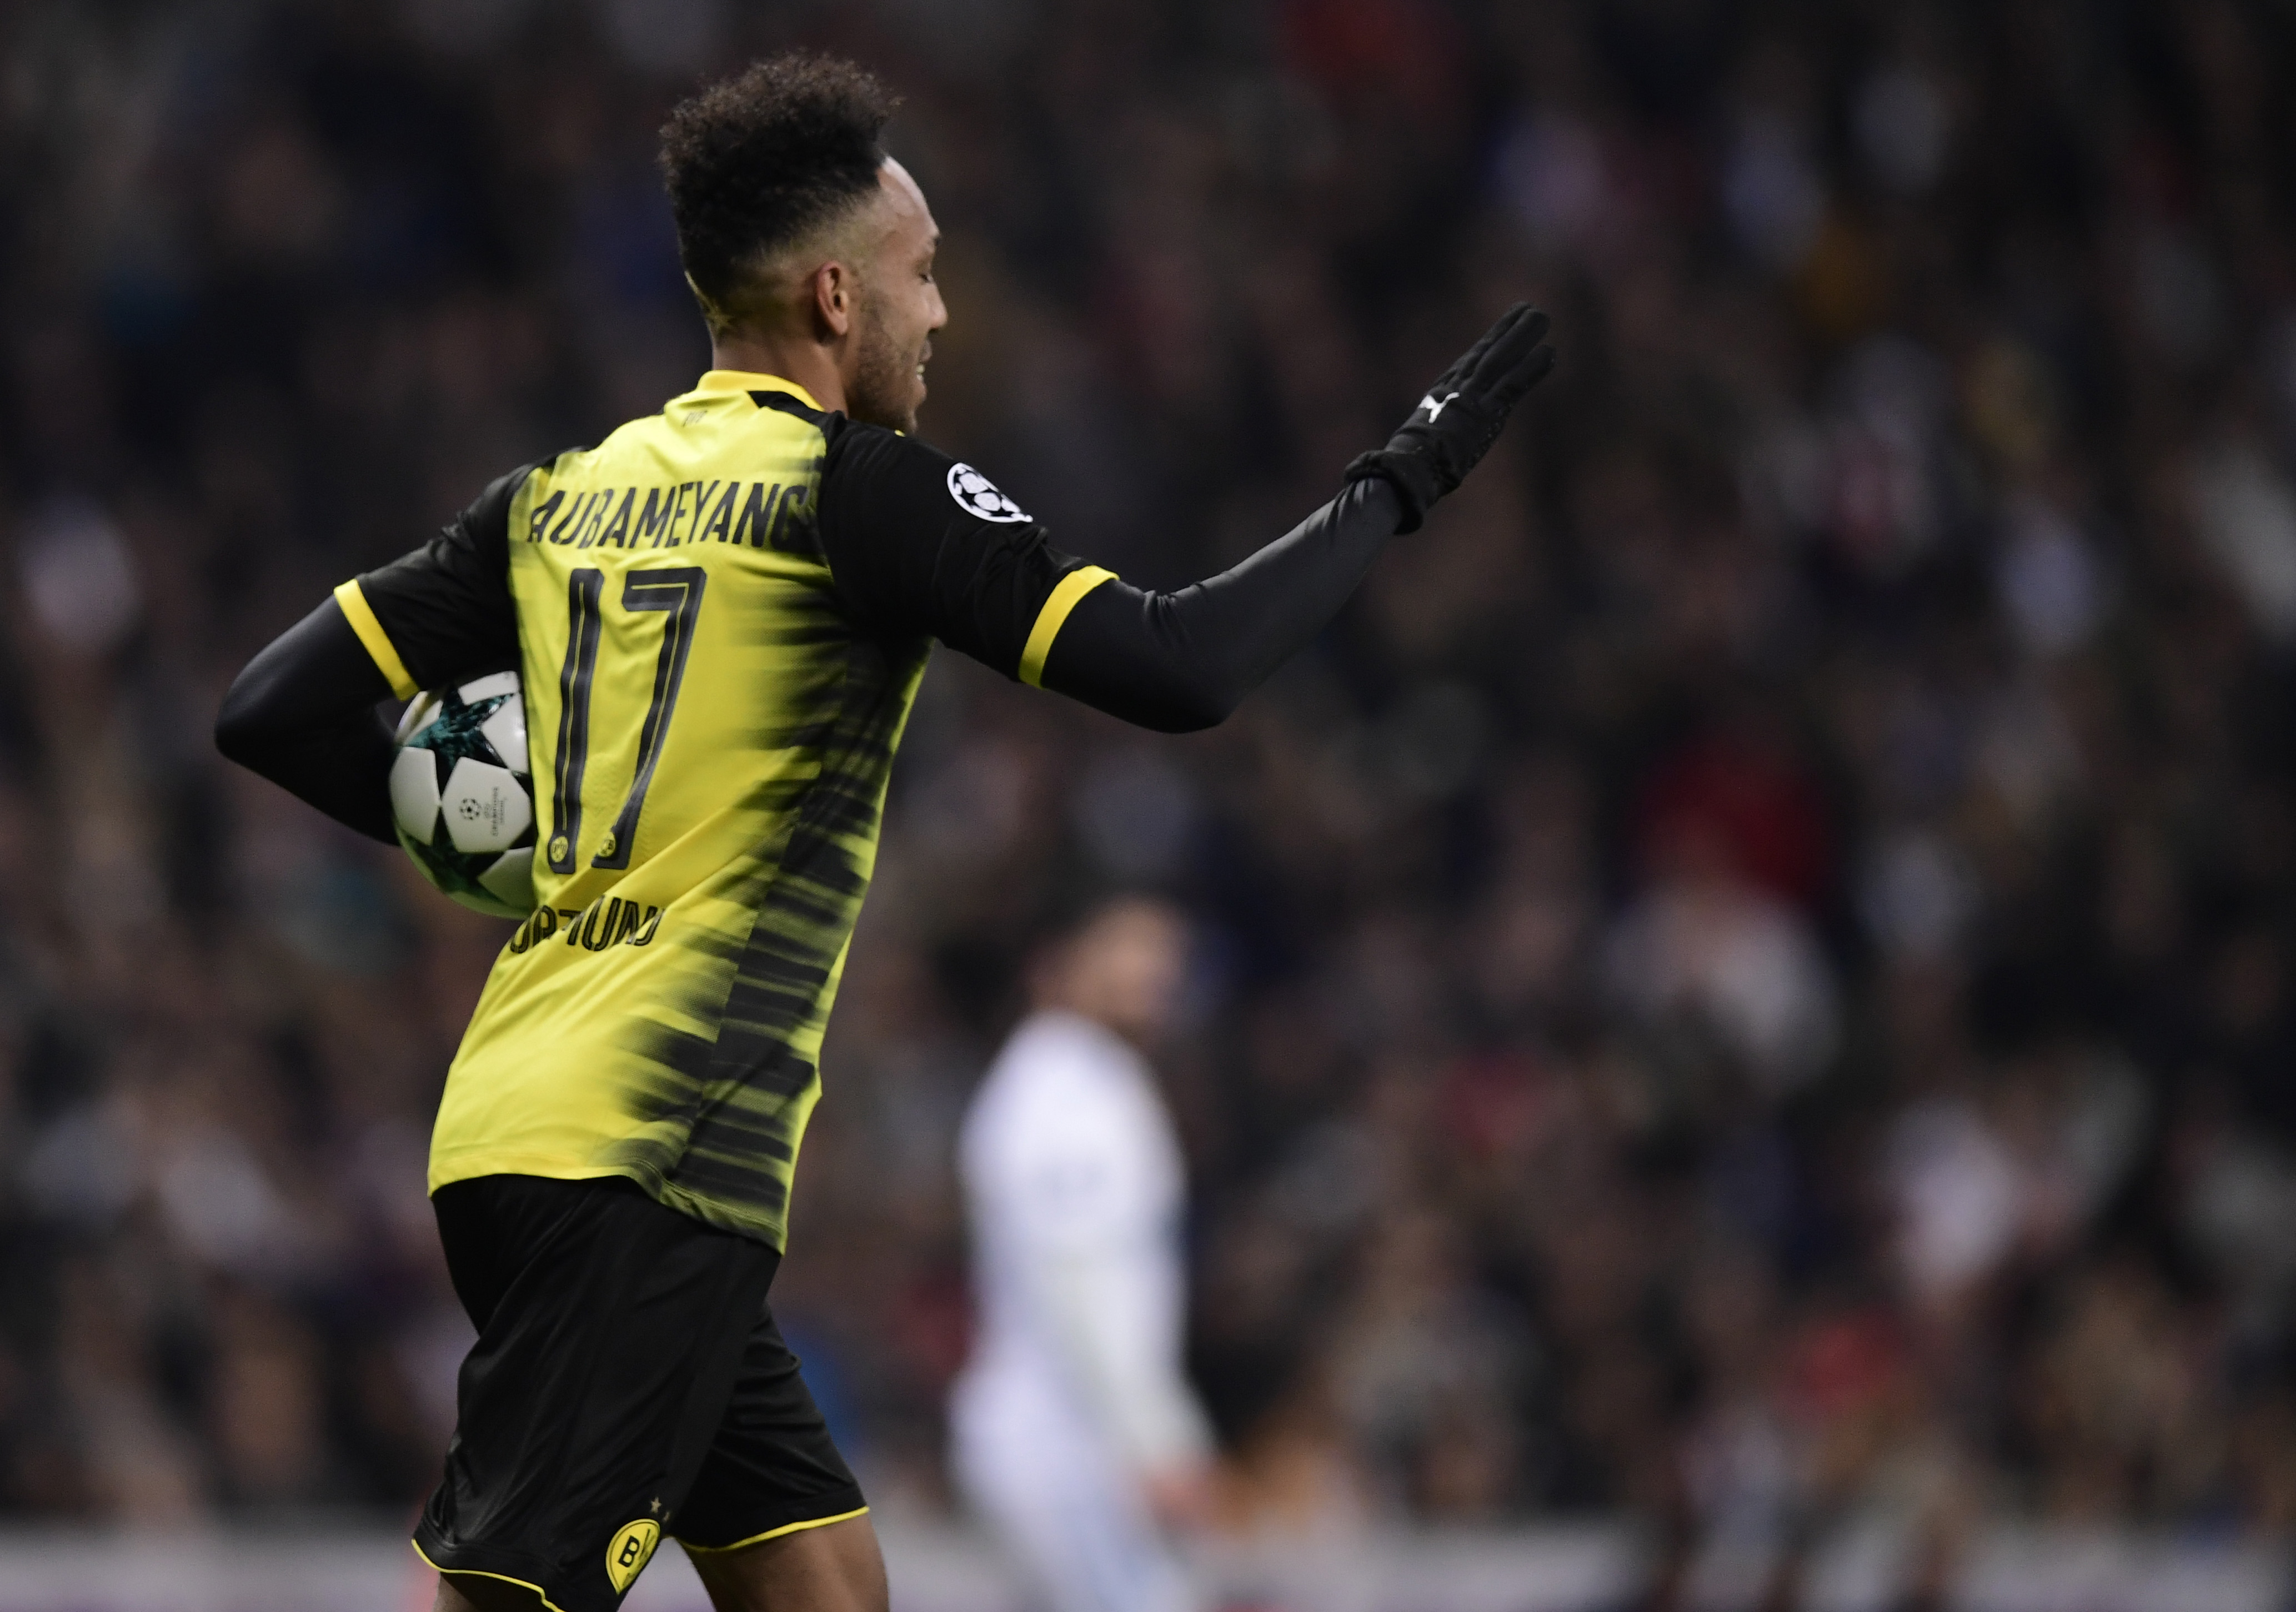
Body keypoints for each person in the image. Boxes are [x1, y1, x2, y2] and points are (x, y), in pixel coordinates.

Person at [212, 49, 1554, 1612]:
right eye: (921, 275)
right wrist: (1402, 479)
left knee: (828, 1591)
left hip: (539, 1123)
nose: (940, 314)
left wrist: (489, 839)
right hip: (639, 1163)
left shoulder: (559, 498)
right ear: (836, 300)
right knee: (507, 1598)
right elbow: (1177, 666)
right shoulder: (854, 494)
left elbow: (271, 708)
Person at [951, 896, 1212, 1612]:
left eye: (1166, 954)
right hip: (1066, 1437)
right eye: (1126, 949)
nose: (1154, 971)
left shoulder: (1086, 1080)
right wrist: (1156, 1439)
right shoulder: (1065, 1092)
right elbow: (1080, 1281)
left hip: (1068, 1431)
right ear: (1055, 964)